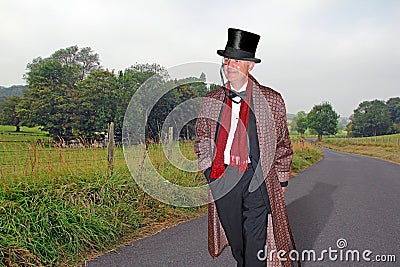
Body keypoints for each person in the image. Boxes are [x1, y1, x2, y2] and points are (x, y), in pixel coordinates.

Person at [194, 28, 300, 267]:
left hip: (257, 178)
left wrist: (282, 181)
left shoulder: (271, 100)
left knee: (255, 240)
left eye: (237, 61)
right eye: (227, 59)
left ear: (250, 65)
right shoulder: (212, 100)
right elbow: (201, 137)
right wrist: (208, 170)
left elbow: (283, 145)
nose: (230, 65)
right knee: (236, 240)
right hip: (223, 175)